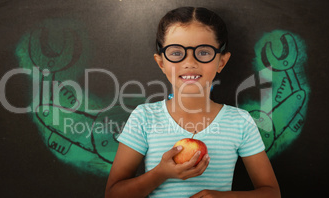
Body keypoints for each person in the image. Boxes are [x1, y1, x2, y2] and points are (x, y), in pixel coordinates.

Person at [105, 7, 280, 198]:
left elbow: (271, 193)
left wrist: (223, 197)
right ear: (161, 63)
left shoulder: (240, 121)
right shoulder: (145, 117)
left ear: (221, 61)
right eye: (176, 52)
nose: (189, 62)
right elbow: (114, 194)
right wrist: (160, 173)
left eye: (204, 52)